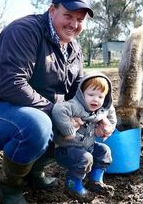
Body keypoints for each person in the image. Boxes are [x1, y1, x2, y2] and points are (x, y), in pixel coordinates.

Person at [0, 0, 94, 204]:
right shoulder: (25, 31)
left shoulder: (74, 49)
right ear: (52, 10)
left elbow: (77, 92)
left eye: (80, 19)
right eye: (68, 15)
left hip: (39, 111)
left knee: (82, 122)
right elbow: (11, 84)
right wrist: (58, 112)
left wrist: (96, 115)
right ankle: (9, 186)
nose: (74, 24)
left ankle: (34, 172)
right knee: (39, 125)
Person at [52, 72, 116, 202]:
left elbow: (111, 114)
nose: (95, 100)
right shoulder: (75, 105)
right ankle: (72, 186)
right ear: (81, 93)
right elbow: (58, 110)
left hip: (88, 147)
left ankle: (95, 181)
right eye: (91, 94)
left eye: (100, 96)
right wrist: (68, 130)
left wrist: (108, 128)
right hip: (66, 150)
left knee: (104, 151)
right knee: (85, 158)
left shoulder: (102, 109)